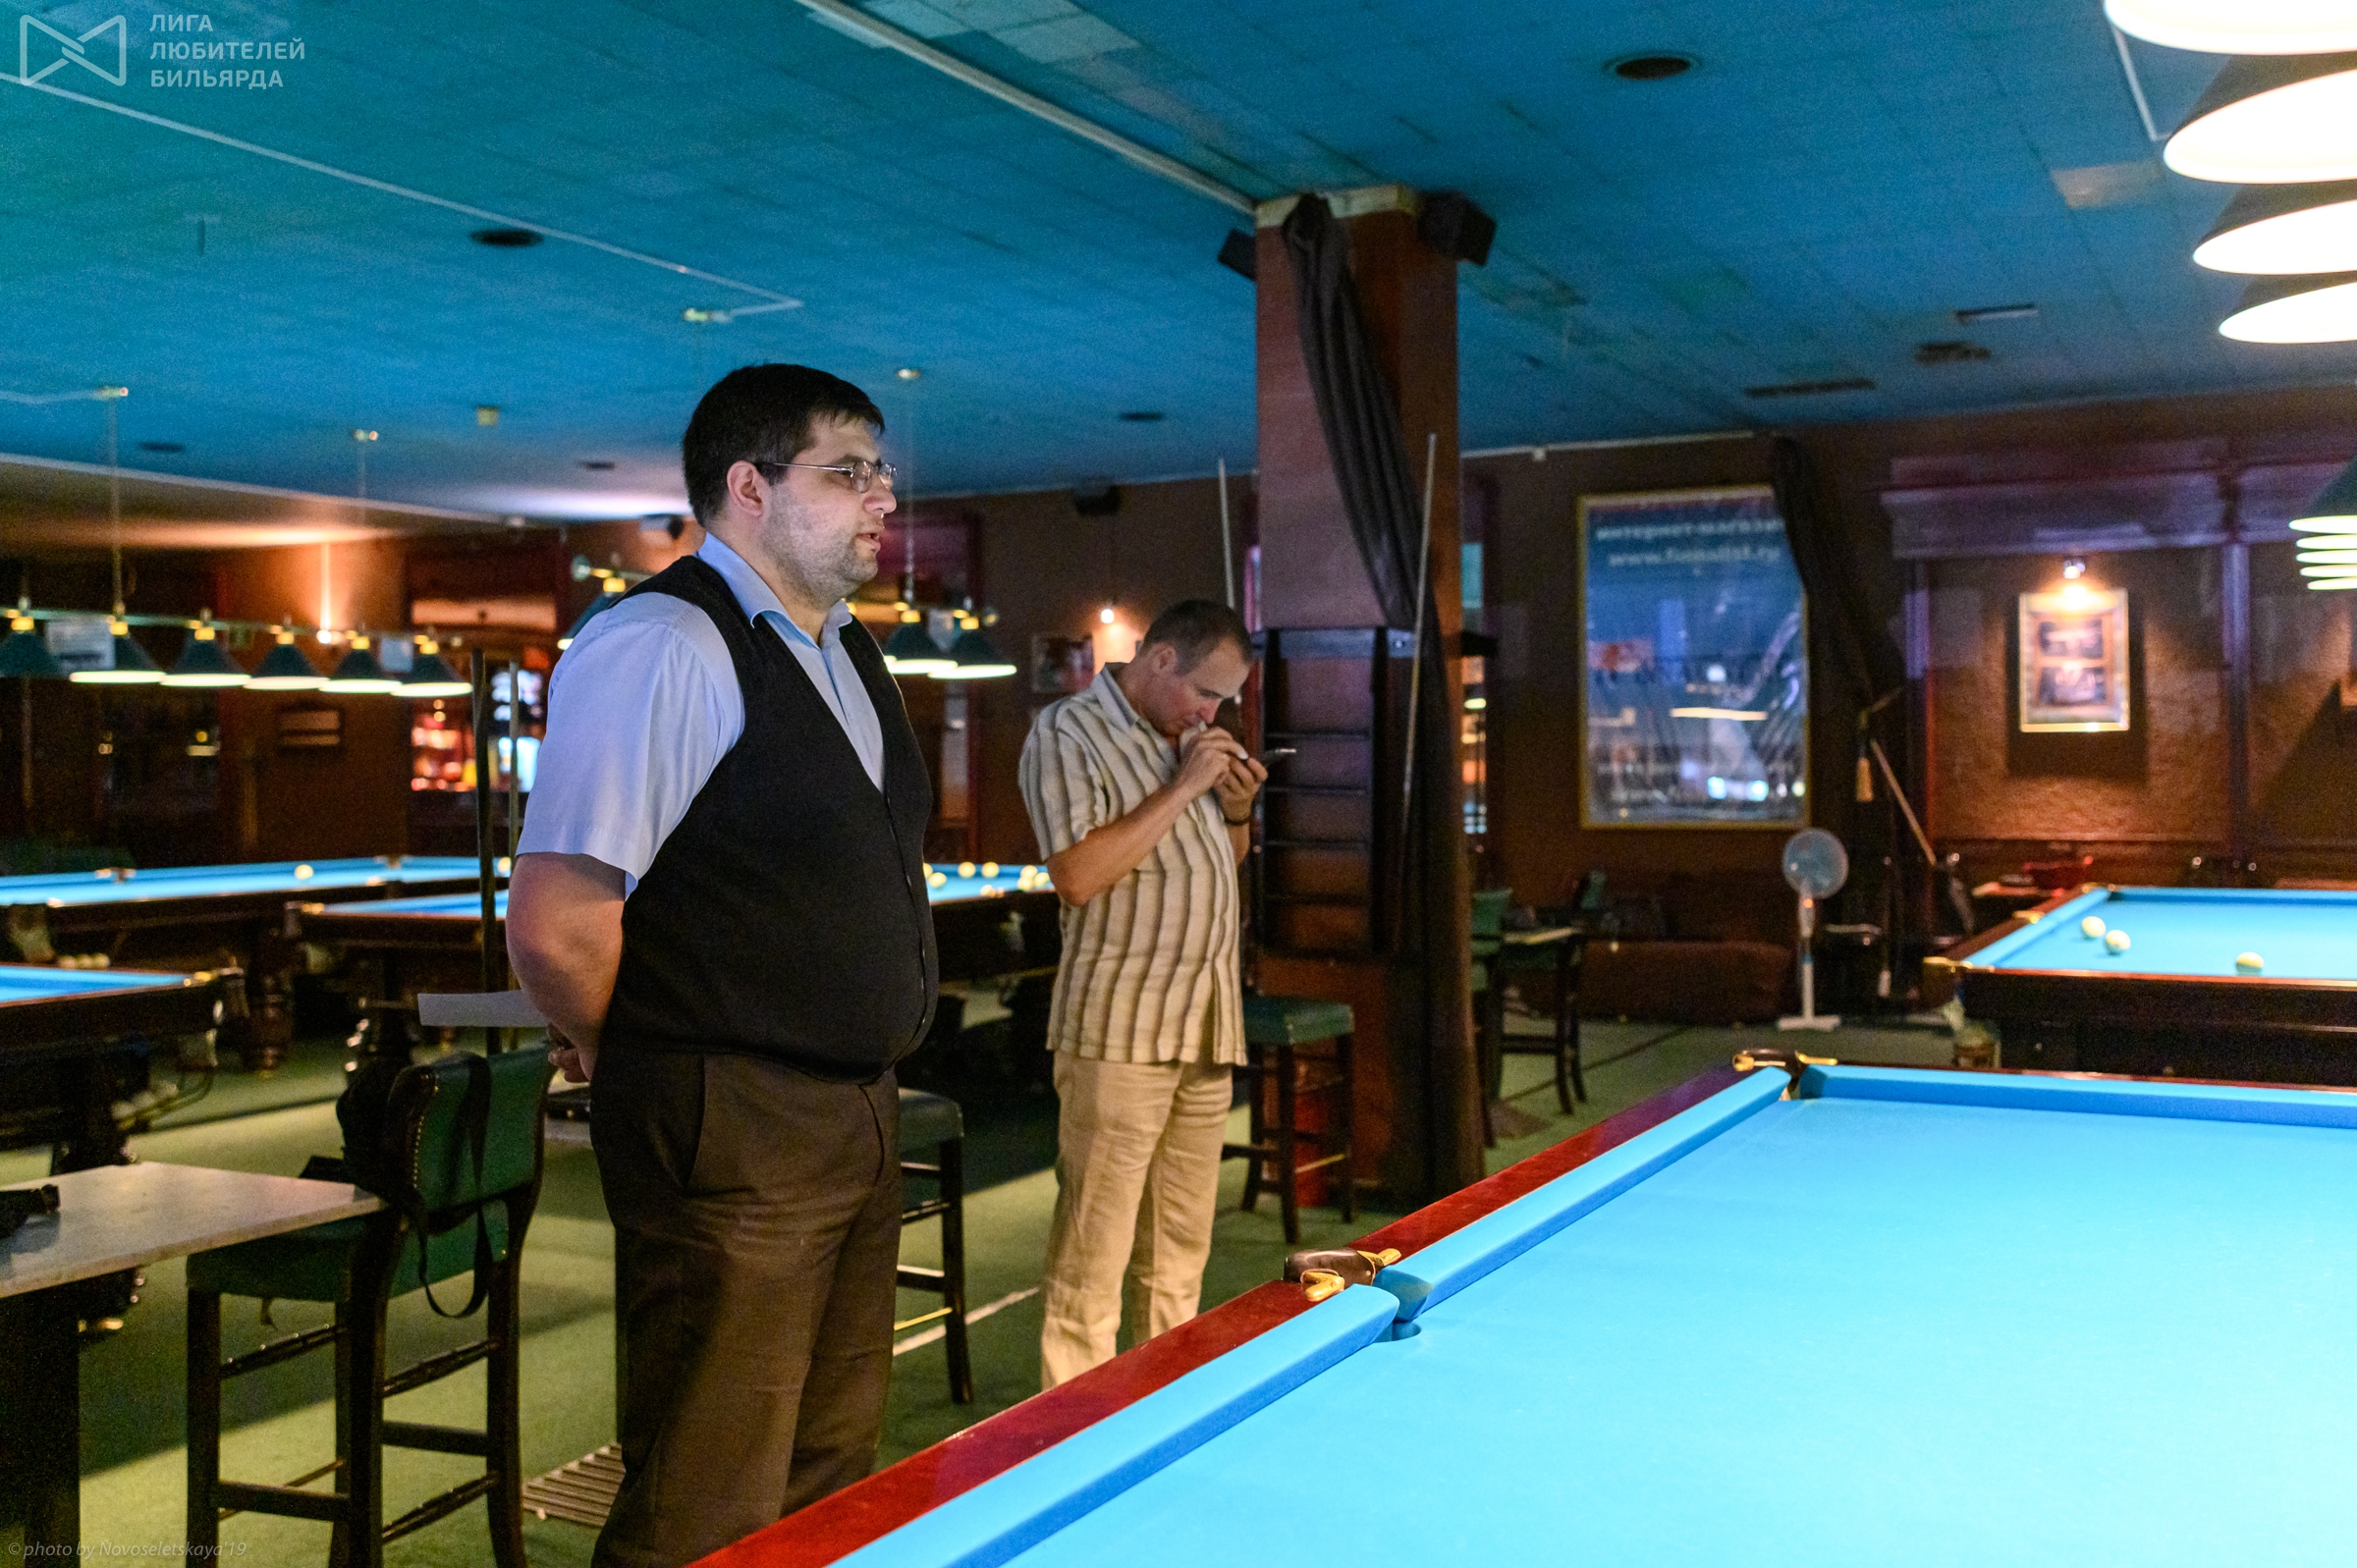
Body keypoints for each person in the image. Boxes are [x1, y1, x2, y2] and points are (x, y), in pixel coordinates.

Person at [506, 363, 935, 1568]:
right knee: (707, 1491)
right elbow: (556, 921)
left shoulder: (845, 648)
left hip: (856, 1107)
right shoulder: (663, 641)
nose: (882, 497)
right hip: (733, 1117)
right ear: (749, 487)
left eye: (882, 473)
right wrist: (638, 1050)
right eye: (849, 472)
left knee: (825, 1469)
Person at [1018, 600, 1265, 1388]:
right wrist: (1185, 787)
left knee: (1179, 1256)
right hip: (1120, 1031)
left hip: (1205, 1024)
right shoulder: (1068, 732)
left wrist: (1234, 810)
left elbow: (1215, 866)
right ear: (1160, 659)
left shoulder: (1188, 738)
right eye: (1206, 692)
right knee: (1092, 1260)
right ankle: (1074, 1436)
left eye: (1224, 700)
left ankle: (1167, 1417)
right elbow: (1078, 875)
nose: (1212, 713)